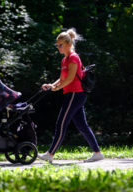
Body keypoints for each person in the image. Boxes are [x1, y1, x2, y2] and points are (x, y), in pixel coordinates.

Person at [37, 29, 104, 163]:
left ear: (68, 44)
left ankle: (50, 154)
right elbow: (62, 78)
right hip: (70, 94)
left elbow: (71, 78)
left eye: (60, 45)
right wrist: (51, 85)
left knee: (61, 123)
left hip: (75, 94)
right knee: (82, 125)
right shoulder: (64, 60)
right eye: (57, 45)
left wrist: (56, 88)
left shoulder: (73, 57)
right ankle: (98, 153)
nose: (58, 48)